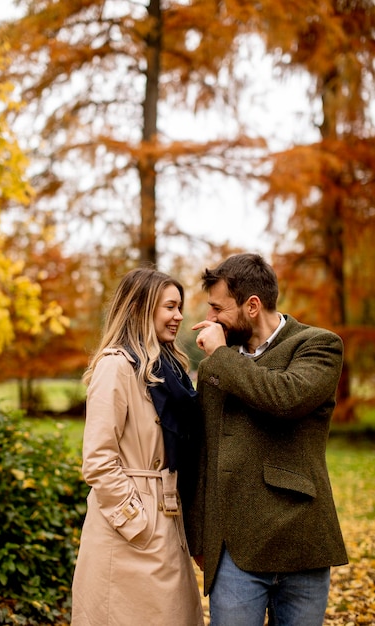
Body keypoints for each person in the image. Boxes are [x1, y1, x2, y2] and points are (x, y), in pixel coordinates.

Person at [186, 253, 348, 626]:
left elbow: (286, 397)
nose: (210, 320)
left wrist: (222, 357)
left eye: (217, 309)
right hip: (232, 551)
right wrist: (199, 538)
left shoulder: (318, 345)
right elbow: (202, 452)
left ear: (252, 306)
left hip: (302, 538)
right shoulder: (215, 367)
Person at [71, 267, 204, 626]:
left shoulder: (171, 369)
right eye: (170, 307)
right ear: (140, 309)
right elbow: (98, 460)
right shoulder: (116, 366)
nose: (179, 316)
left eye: (180, 307)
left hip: (167, 518)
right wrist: (136, 521)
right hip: (129, 530)